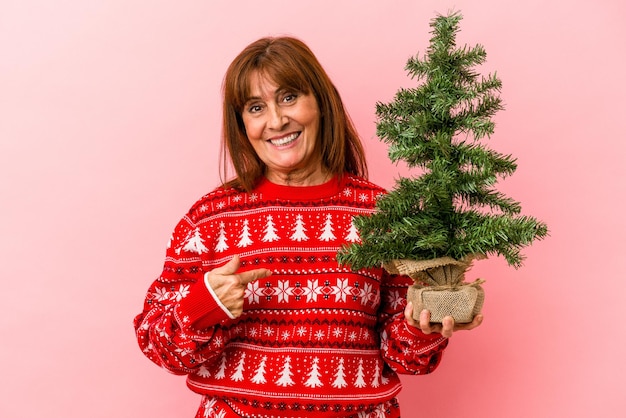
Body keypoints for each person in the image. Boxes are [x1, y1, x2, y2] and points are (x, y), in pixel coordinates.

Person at [134, 36, 482, 418]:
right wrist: (204, 305)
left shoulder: (383, 214)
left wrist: (422, 330)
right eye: (255, 107)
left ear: (320, 102)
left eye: (288, 97)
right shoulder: (209, 219)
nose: (276, 120)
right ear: (242, 125)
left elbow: (407, 359)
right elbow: (157, 345)